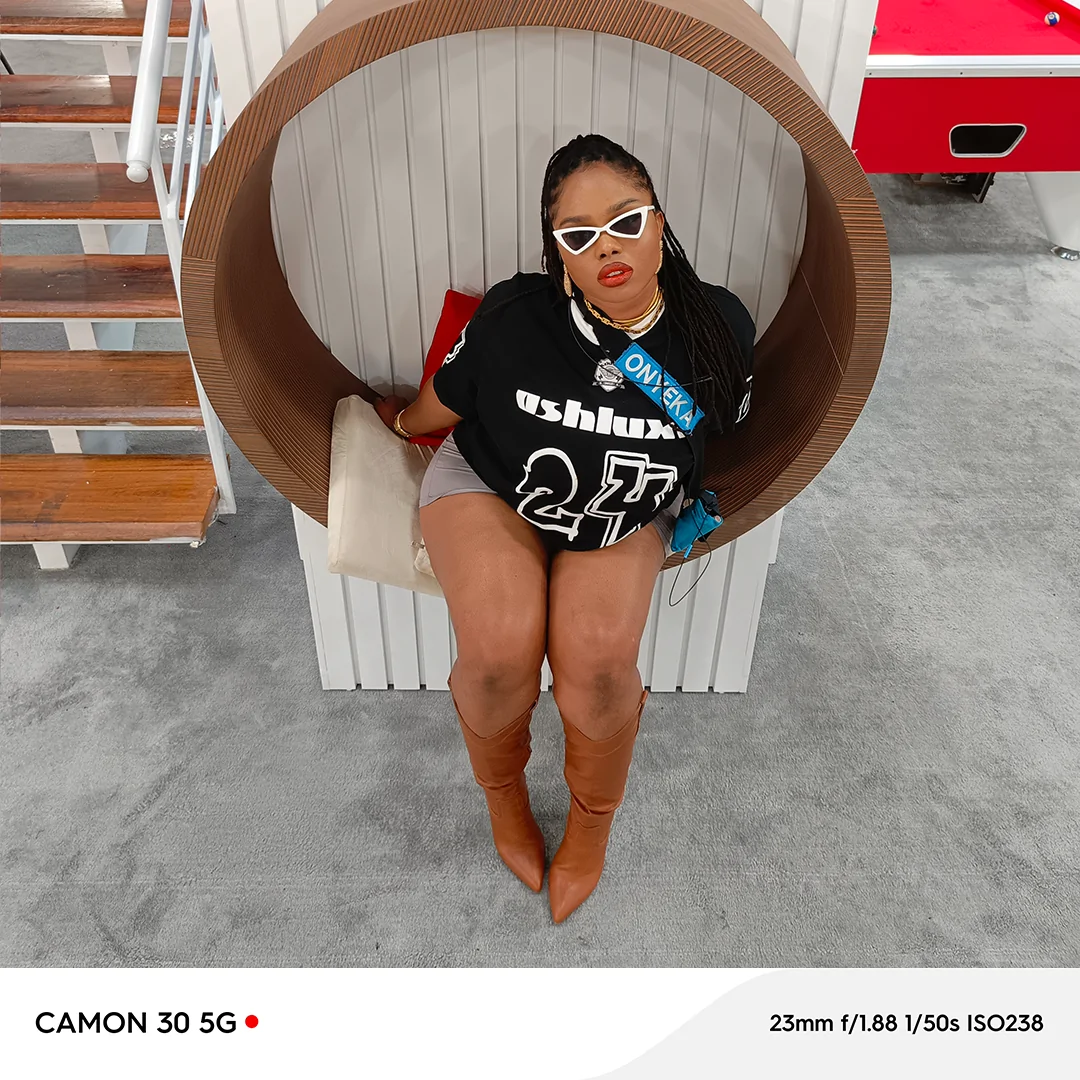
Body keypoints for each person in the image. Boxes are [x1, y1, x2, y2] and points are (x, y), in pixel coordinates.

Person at [375, 133, 756, 923]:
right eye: (579, 236)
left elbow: (727, 429)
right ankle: (504, 799)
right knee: (496, 650)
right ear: (557, 253)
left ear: (659, 222)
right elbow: (449, 395)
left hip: (622, 508)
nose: (607, 247)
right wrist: (402, 422)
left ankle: (591, 824)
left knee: (601, 660)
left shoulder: (718, 327)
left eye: (626, 222)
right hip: (494, 486)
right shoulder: (517, 314)